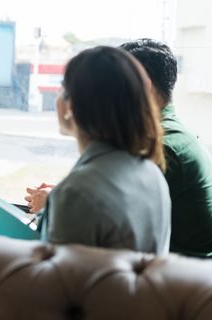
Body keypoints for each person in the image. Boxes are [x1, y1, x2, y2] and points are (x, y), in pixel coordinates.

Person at [36, 46, 170, 254]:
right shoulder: (152, 173)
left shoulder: (77, 192)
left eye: (63, 89)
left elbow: (57, 284)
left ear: (71, 107)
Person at [119, 39, 212, 257]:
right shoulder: (170, 134)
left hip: (178, 279)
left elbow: (116, 222)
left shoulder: (162, 148)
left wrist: (57, 203)